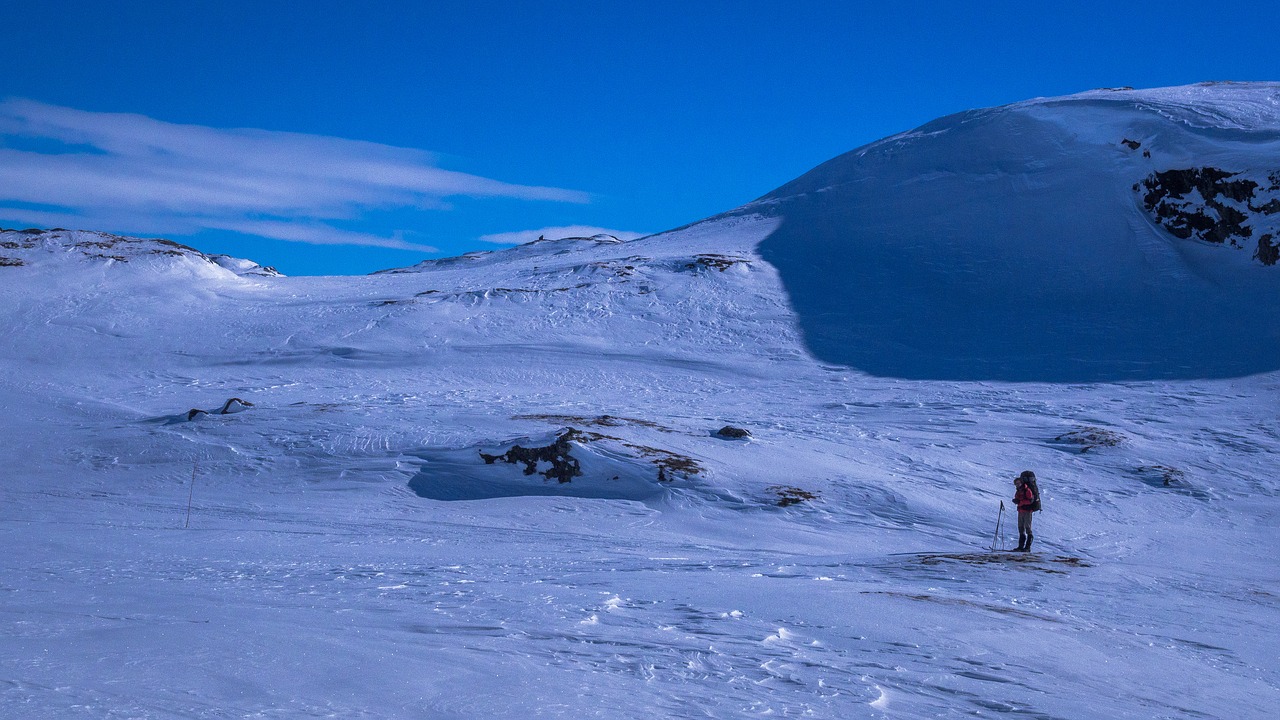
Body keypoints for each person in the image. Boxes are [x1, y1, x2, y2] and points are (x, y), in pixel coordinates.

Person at [1013, 471, 1038, 552]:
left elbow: (1030, 500)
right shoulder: (1019, 490)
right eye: (1016, 483)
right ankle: (1021, 547)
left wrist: (1020, 502)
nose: (1017, 484)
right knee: (1021, 528)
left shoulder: (1027, 490)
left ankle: (1027, 547)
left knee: (1028, 528)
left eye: (1018, 483)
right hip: (1021, 510)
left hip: (1027, 511)